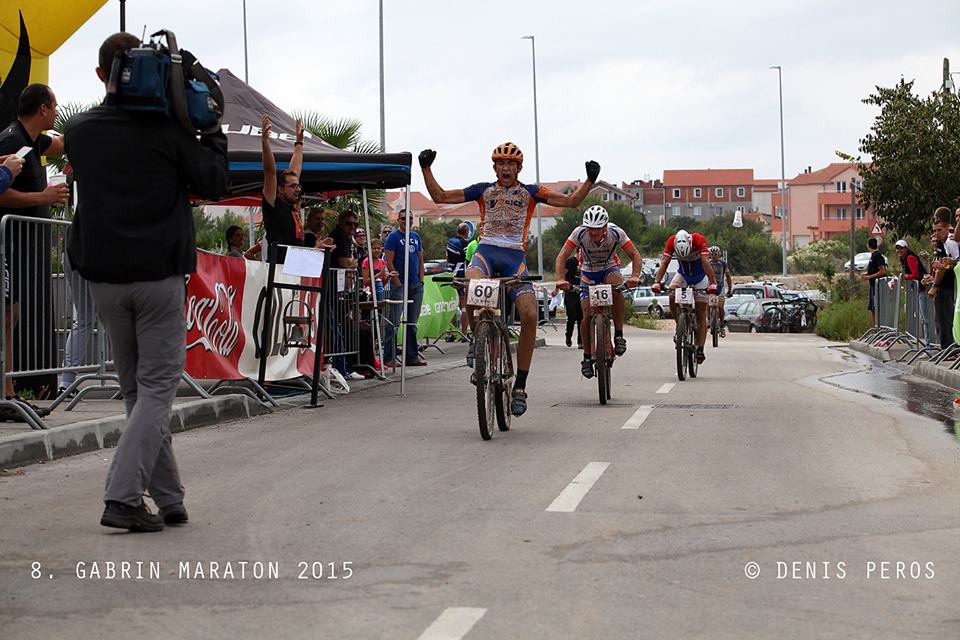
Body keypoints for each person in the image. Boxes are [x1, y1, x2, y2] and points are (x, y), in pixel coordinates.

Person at [65, 32, 229, 532]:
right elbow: (215, 182)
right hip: (157, 277)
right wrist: (211, 126)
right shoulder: (170, 132)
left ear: (103, 76)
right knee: (158, 388)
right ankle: (122, 497)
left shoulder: (80, 130)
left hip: (104, 279)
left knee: (139, 390)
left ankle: (169, 496)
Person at [419, 143, 599, 416]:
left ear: (518, 168)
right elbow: (440, 196)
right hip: (486, 252)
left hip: (514, 256)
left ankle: (521, 387)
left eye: (511, 164)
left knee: (528, 315)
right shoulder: (483, 190)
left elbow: (571, 202)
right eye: (501, 164)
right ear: (494, 168)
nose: (506, 168)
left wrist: (589, 180)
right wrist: (426, 168)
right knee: (471, 281)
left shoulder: (531, 192)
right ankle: (475, 342)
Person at [0, 83, 69, 406]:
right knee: (6, 315)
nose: (57, 111)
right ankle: (8, 390)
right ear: (42, 108)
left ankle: (9, 388)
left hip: (16, 246)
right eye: (54, 106)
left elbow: (60, 145)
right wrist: (42, 197)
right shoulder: (13, 141)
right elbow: (1, 192)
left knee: (10, 315)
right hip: (5, 243)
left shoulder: (32, 141)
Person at [554, 205, 641, 377]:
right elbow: (562, 256)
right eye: (590, 229)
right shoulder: (579, 233)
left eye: (597, 229)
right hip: (588, 271)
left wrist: (635, 276)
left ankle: (619, 335)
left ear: (605, 227)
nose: (593, 233)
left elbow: (635, 255)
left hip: (609, 268)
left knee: (617, 286)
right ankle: (587, 357)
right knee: (586, 315)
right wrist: (560, 279)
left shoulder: (616, 233)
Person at [651, 229, 718, 364]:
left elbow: (706, 262)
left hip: (700, 277)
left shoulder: (699, 240)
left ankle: (700, 348)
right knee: (671, 294)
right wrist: (657, 282)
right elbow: (665, 262)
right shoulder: (671, 241)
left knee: (700, 313)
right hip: (683, 275)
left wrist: (713, 283)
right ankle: (680, 326)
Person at [383, 210, 427, 367]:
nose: (406, 221)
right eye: (403, 219)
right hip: (400, 285)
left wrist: (421, 280)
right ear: (398, 220)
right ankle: (389, 356)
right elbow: (389, 261)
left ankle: (411, 356)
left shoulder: (416, 237)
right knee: (393, 323)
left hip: (416, 284)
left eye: (409, 218)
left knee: (412, 323)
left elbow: (421, 259)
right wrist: (397, 282)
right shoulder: (393, 237)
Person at [260, 113, 304, 262]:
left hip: (293, 268)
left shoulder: (290, 204)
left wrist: (299, 142)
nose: (297, 189)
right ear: (279, 189)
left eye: (297, 186)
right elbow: (269, 172)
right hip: (278, 270)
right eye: (292, 186)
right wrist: (265, 142)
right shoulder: (273, 203)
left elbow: (296, 170)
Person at [928, 207, 958, 348]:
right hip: (947, 285)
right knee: (941, 319)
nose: (936, 234)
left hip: (949, 286)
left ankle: (949, 348)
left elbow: (955, 263)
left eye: (938, 230)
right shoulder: (946, 241)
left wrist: (935, 285)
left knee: (946, 319)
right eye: (934, 231)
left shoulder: (951, 241)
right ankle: (946, 348)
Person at [895, 239, 930, 349]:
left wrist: (906, 277)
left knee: (925, 318)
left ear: (906, 248)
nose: (899, 250)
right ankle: (926, 344)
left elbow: (915, 274)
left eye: (901, 248)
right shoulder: (903, 258)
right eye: (897, 248)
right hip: (917, 290)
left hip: (922, 289)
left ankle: (928, 345)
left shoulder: (910, 258)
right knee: (921, 317)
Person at [446, 222, 471, 340]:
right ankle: (464, 334)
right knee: (463, 306)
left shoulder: (449, 242)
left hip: (450, 273)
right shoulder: (465, 244)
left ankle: (449, 333)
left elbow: (447, 258)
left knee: (450, 304)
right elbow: (467, 260)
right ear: (467, 232)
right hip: (461, 275)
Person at [552, 254, 583, 349]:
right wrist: (557, 289)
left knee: (581, 317)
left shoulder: (585, 263)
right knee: (572, 316)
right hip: (570, 292)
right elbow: (562, 276)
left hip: (582, 292)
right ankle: (568, 335)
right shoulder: (571, 261)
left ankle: (580, 342)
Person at [861, 237, 887, 324]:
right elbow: (874, 269)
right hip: (873, 285)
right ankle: (875, 328)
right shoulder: (873, 256)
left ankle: (879, 327)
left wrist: (870, 277)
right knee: (872, 308)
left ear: (868, 246)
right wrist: (866, 274)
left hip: (878, 286)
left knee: (876, 307)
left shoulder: (877, 256)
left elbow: (882, 271)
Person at [708, 245, 733, 332]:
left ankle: (722, 324)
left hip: (720, 286)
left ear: (719, 255)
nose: (714, 256)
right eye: (712, 254)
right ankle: (708, 320)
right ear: (710, 255)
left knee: (721, 306)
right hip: (710, 286)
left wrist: (730, 290)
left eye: (716, 254)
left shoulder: (723, 263)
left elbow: (728, 277)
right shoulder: (707, 263)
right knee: (707, 304)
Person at [361, 238, 389, 302]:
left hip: (379, 294)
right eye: (374, 248)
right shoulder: (366, 261)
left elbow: (383, 283)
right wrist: (378, 274)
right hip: (368, 295)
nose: (376, 250)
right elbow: (365, 282)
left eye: (378, 248)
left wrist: (389, 276)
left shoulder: (382, 262)